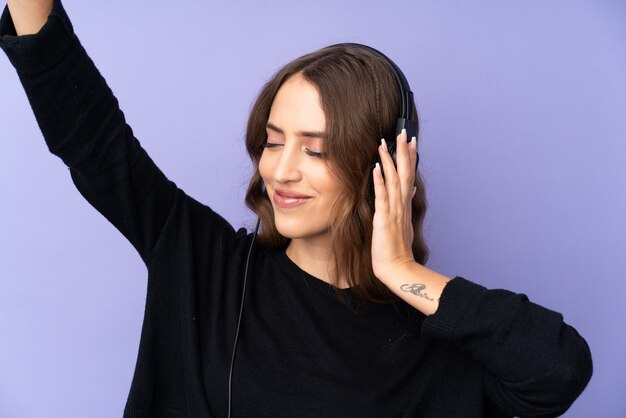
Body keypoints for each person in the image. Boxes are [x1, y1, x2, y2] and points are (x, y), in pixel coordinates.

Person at [1, 1, 593, 417]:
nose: (280, 169)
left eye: (316, 150)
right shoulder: (201, 261)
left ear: (383, 165)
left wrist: (403, 274)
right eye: (273, 139)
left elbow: (559, 372)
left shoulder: (438, 342)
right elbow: (91, 137)